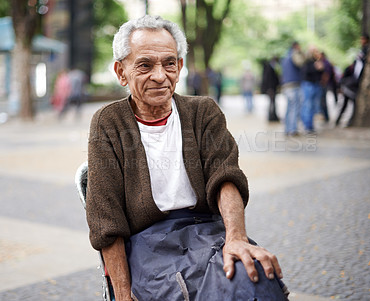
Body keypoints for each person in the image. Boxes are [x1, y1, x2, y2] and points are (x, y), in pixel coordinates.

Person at [86, 15, 289, 301]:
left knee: (253, 278)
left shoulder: (202, 112)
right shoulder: (108, 123)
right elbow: (106, 220)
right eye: (145, 65)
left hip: (208, 233)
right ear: (121, 72)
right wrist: (121, 294)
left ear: (179, 67)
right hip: (148, 246)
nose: (160, 75)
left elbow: (225, 175)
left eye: (169, 63)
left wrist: (236, 238)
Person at [336, 34, 370, 127]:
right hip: (351, 85)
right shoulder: (353, 65)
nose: (361, 41)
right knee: (346, 104)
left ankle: (349, 121)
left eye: (363, 39)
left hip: (354, 84)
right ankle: (339, 120)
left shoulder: (367, 51)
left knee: (352, 104)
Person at [281, 41, 305, 136]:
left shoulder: (285, 57)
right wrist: (302, 54)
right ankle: (293, 129)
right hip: (294, 85)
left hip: (286, 85)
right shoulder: (294, 55)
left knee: (289, 108)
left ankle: (287, 129)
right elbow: (300, 63)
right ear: (296, 46)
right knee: (294, 108)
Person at [300, 46, 324, 133]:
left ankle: (310, 125)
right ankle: (307, 126)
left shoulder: (317, 61)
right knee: (308, 105)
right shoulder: (307, 62)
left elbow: (321, 72)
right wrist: (316, 68)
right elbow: (306, 72)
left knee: (313, 106)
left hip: (315, 84)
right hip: (308, 84)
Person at [261, 57, 280, 122]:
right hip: (271, 89)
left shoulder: (270, 68)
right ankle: (271, 117)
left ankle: (273, 116)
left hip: (272, 88)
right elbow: (268, 80)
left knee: (272, 103)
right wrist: (270, 89)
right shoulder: (269, 68)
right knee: (272, 103)